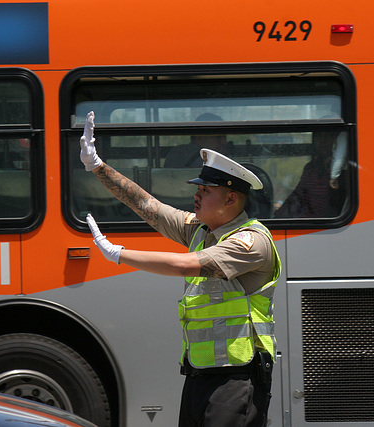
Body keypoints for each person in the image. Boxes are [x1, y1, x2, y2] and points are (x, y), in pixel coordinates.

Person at [79, 111, 281, 427]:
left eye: (205, 191)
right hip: (200, 374)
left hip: (237, 379)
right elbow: (149, 207)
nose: (196, 195)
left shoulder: (250, 242)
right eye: (198, 189)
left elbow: (183, 265)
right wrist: (97, 167)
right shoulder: (201, 229)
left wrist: (119, 254)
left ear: (230, 198)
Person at [274, 131, 347, 218]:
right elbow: (297, 195)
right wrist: (279, 215)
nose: (322, 141)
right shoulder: (311, 168)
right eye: (319, 137)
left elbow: (322, 210)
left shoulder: (340, 173)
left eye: (328, 136)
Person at [164, 113, 229, 168]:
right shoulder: (181, 155)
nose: (224, 142)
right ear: (200, 138)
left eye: (224, 137)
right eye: (218, 137)